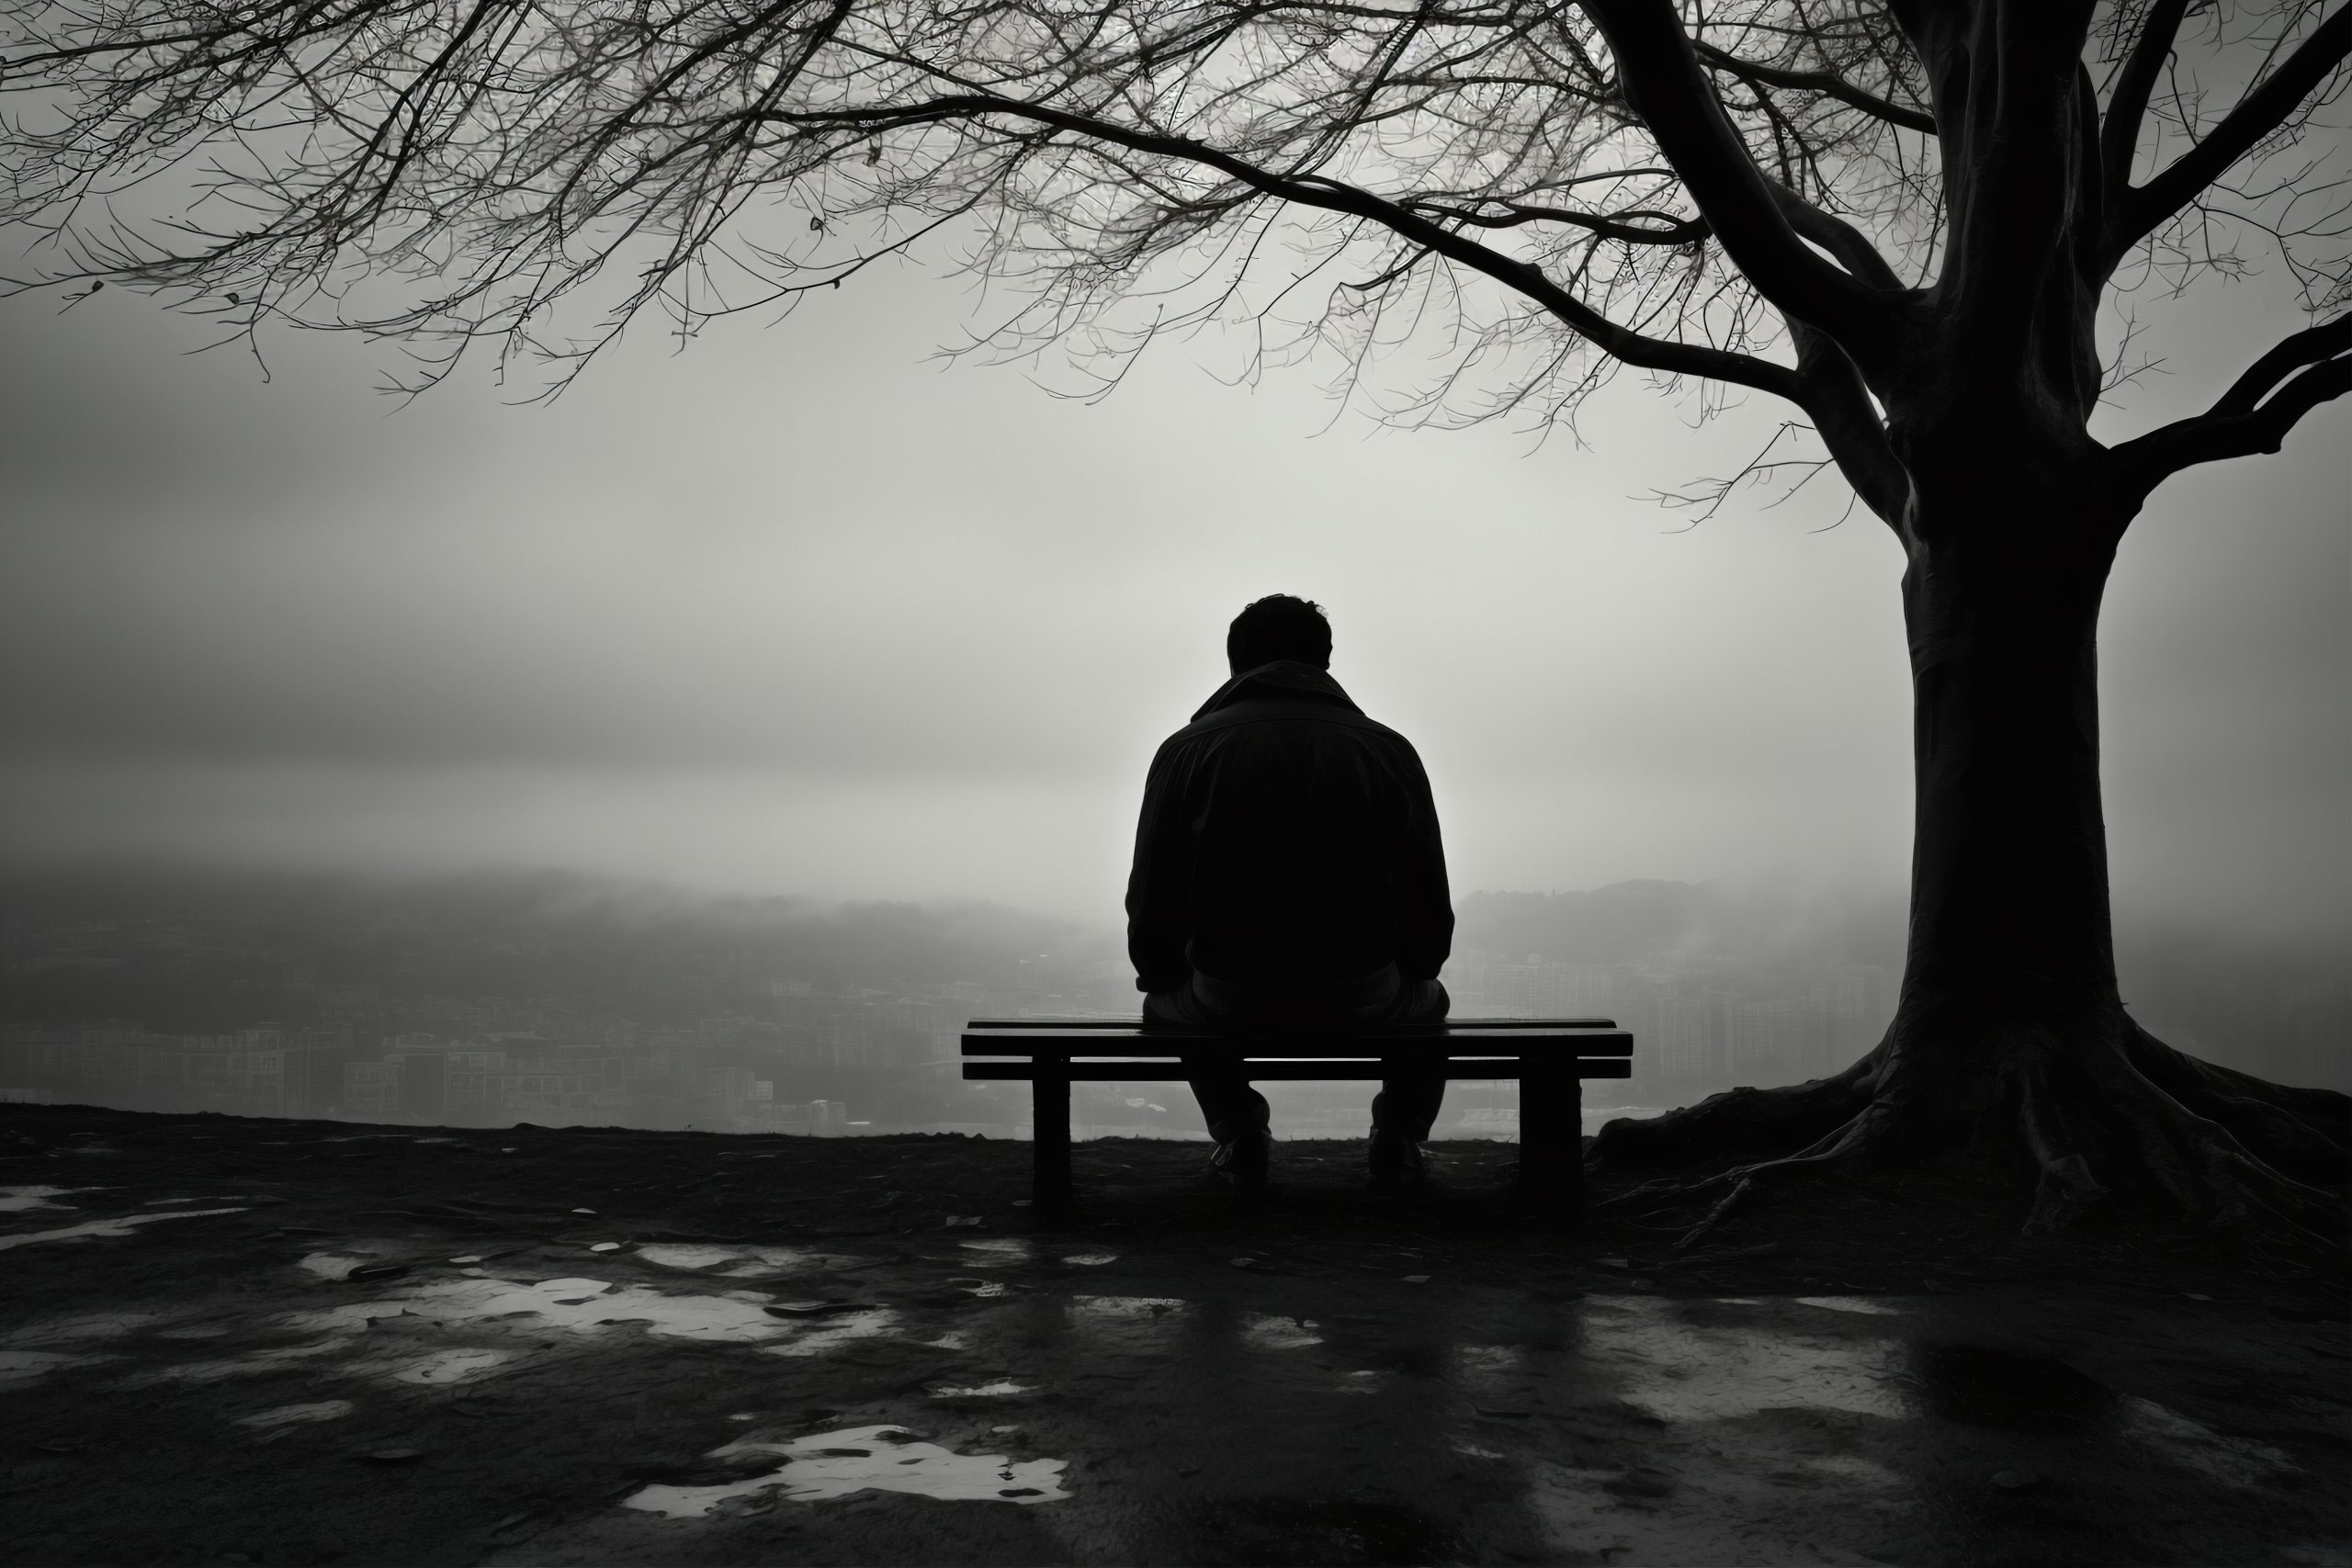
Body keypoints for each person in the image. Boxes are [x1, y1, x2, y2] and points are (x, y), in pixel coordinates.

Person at [1125, 593, 1455, 1189]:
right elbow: (1427, 899)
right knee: (1430, 1000)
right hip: (1364, 991)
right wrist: (1415, 964)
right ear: (1325, 661)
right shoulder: (1387, 750)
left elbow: (1152, 898)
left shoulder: (1185, 751)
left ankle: (1238, 1129)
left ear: (1234, 663)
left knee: (1164, 1003)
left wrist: (1162, 973)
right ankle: (1398, 1137)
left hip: (1228, 994)